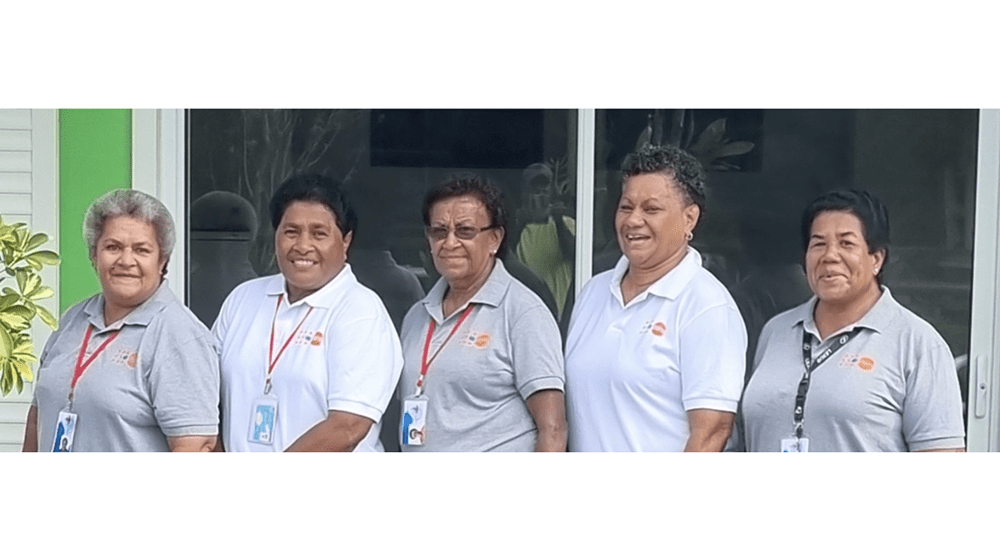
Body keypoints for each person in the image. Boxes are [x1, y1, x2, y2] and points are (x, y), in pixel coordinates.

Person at [741, 190, 966, 452]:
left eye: (846, 243)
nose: (830, 256)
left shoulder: (917, 343)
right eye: (818, 244)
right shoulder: (776, 331)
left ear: (876, 259)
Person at [565, 144, 747, 452]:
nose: (633, 221)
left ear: (690, 219)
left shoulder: (706, 305)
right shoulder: (593, 292)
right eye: (626, 207)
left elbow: (713, 432)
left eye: (651, 209)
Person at [213, 174, 402, 452]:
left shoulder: (361, 312)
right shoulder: (243, 299)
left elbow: (347, 427)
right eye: (291, 231)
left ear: (346, 241)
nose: (302, 246)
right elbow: (202, 394)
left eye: (319, 233)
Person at [22, 189, 220, 452]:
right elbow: (38, 416)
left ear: (163, 261)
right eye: (113, 247)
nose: (126, 261)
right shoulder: (73, 319)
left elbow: (195, 448)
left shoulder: (180, 337)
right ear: (94, 256)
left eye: (142, 250)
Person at [398, 173, 567, 452]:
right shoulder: (417, 315)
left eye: (465, 231)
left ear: (495, 239)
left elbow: (553, 428)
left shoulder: (524, 312)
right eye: (439, 232)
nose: (449, 243)